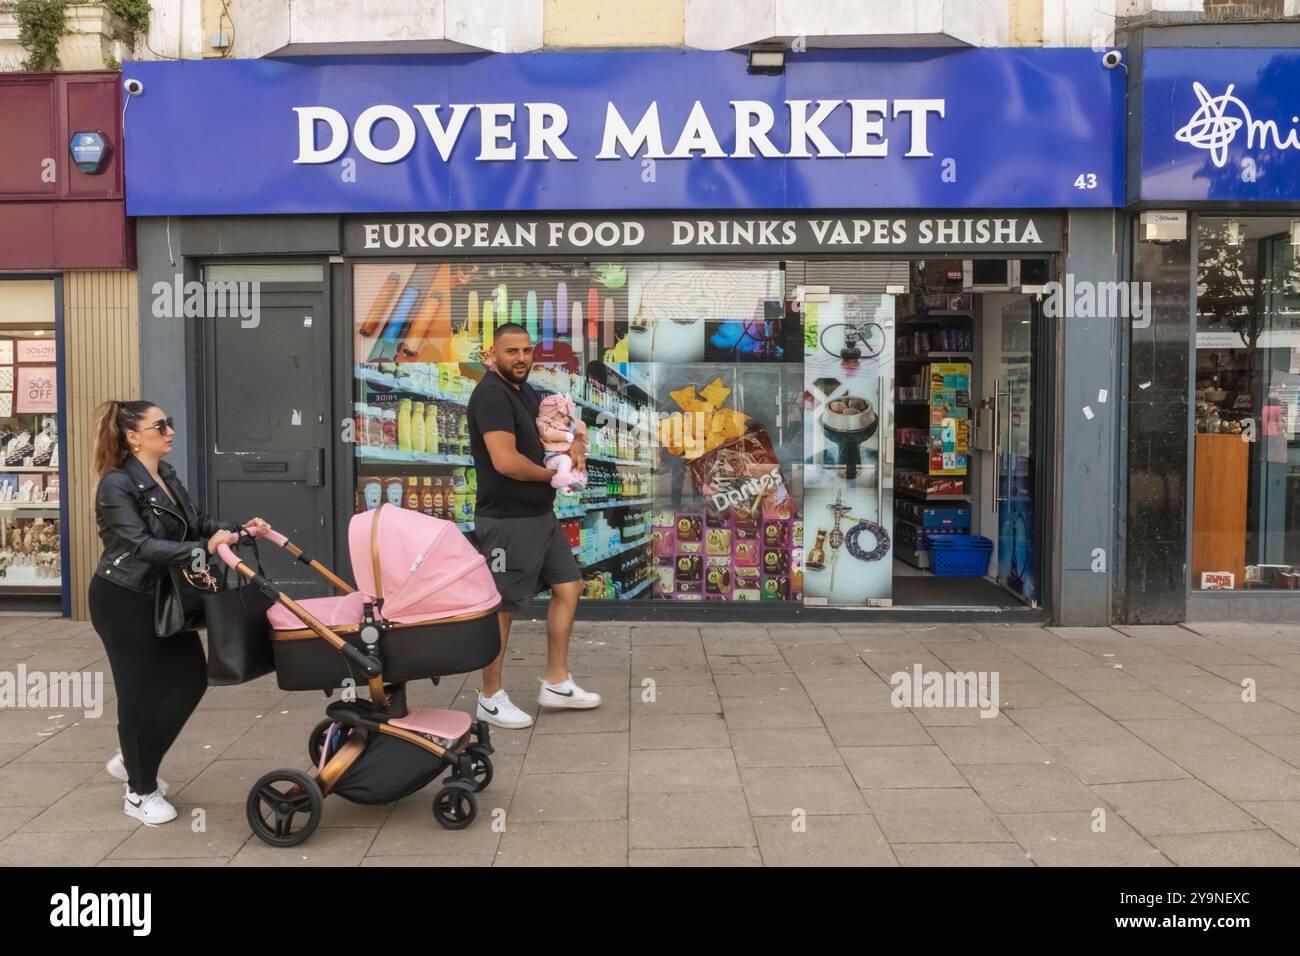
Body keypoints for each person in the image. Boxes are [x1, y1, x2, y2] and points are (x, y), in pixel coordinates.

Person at [90, 400, 270, 825]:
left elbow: (195, 521)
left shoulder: (164, 474)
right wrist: (201, 549)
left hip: (165, 595)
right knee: (137, 693)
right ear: (133, 436)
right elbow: (139, 545)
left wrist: (238, 530)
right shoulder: (116, 485)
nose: (170, 430)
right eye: (160, 425)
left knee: (191, 677)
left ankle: (135, 757)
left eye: (169, 423)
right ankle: (139, 790)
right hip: (125, 598)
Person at [467, 323, 601, 729]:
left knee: (568, 586)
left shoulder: (525, 390)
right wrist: (552, 478)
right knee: (503, 610)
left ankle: (557, 682)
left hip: (539, 517)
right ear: (493, 355)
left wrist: (576, 443)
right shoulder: (491, 395)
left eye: (526, 350)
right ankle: (490, 697)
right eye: (512, 352)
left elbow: (563, 425)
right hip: (508, 521)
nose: (521, 358)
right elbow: (505, 462)